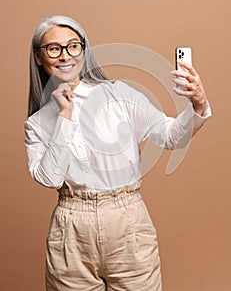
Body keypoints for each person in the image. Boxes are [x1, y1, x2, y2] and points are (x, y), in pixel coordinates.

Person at [24, 15, 211, 291]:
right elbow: (50, 178)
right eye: (54, 48)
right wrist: (64, 115)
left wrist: (198, 104)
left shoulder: (121, 96)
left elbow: (171, 136)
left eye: (73, 46)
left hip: (128, 223)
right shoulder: (37, 124)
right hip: (71, 232)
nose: (65, 55)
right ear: (39, 57)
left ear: (84, 51)